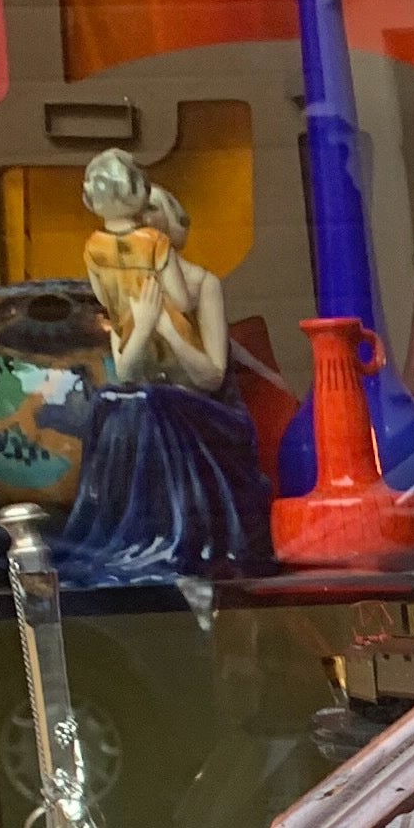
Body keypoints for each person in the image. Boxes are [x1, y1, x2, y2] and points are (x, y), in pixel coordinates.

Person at [60, 154, 272, 601]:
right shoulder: (127, 294)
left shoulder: (201, 287)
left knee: (151, 405)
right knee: (115, 405)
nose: (140, 232)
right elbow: (126, 371)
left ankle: (172, 542)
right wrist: (141, 325)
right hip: (152, 404)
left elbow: (212, 377)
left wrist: (171, 334)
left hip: (209, 414)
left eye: (150, 219)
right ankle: (125, 539)